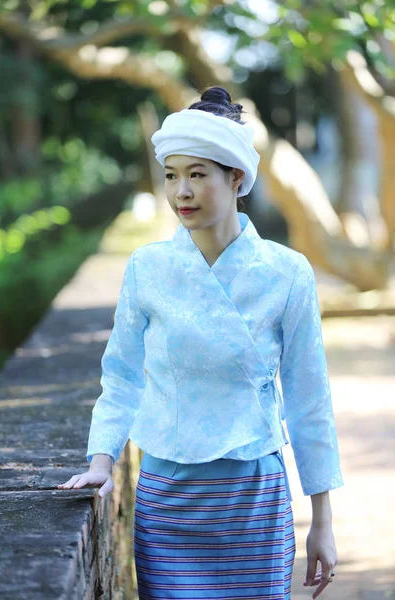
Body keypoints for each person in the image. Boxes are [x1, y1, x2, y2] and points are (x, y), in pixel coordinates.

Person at [58, 86, 344, 599]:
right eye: (171, 175)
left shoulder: (286, 272)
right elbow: (121, 375)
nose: (181, 192)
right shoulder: (148, 268)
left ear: (237, 178)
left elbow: (309, 398)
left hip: (253, 493)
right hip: (168, 495)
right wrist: (101, 460)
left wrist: (321, 519)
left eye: (197, 174)